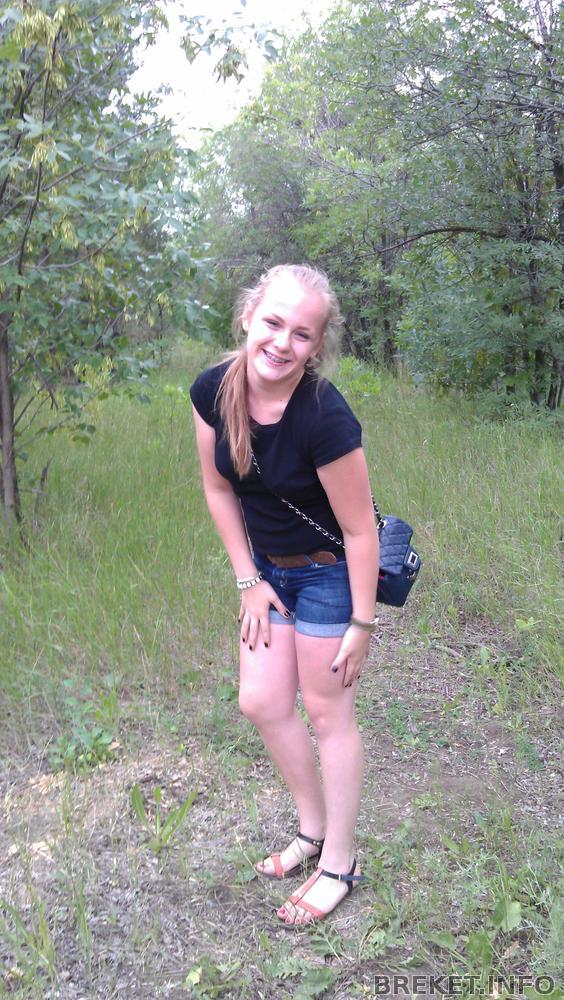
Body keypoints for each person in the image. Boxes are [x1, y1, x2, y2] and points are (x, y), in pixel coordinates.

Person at [190, 264, 379, 926]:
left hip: (329, 575)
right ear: (248, 316)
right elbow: (218, 488)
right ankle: (312, 830)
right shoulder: (212, 389)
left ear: (317, 346)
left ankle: (341, 863)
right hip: (269, 573)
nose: (282, 342)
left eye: (302, 334)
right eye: (273, 322)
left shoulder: (324, 415)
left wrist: (362, 623)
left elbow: (360, 529)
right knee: (263, 702)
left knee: (328, 715)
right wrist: (249, 580)